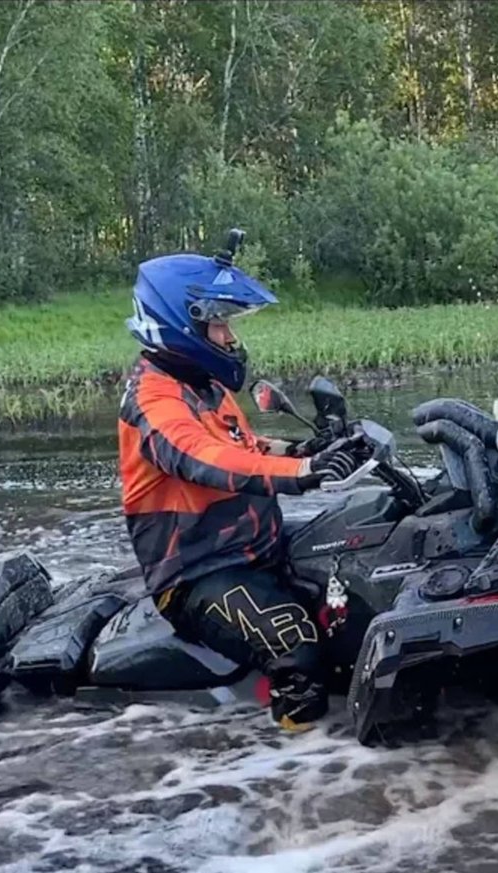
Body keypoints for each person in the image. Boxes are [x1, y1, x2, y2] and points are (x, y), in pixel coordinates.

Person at [118, 231, 363, 732]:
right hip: (199, 575)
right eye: (218, 325)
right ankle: (303, 766)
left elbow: (243, 449)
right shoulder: (153, 402)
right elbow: (206, 459)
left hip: (258, 551)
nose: (229, 337)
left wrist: (307, 450)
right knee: (296, 644)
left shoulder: (201, 386)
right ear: (180, 324)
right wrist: (302, 474)